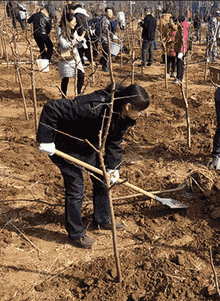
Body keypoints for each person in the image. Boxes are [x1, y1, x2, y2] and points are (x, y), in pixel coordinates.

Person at [36, 83, 151, 249]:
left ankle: (102, 219)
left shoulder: (123, 116)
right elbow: (51, 107)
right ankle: (76, 234)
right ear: (128, 106)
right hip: (64, 146)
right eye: (139, 111)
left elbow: (114, 141)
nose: (140, 115)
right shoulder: (93, 107)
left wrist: (113, 167)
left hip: (87, 146)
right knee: (76, 188)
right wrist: (46, 138)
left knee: (103, 178)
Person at [56, 13, 85, 97]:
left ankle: (78, 93)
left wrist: (81, 41)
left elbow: (76, 43)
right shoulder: (59, 30)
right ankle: (64, 96)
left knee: (81, 75)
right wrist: (76, 40)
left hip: (75, 57)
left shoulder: (73, 30)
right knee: (65, 78)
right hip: (66, 58)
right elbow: (64, 45)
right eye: (74, 22)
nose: (75, 24)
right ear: (67, 22)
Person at [97, 7, 117, 72]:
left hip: (106, 38)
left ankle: (102, 61)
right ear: (105, 13)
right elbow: (105, 30)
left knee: (105, 52)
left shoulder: (108, 19)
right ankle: (104, 66)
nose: (110, 14)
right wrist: (111, 35)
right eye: (109, 12)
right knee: (107, 52)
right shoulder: (105, 20)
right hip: (105, 38)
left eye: (111, 12)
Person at [173, 16, 189, 84]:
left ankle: (178, 78)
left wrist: (181, 51)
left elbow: (183, 41)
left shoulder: (183, 29)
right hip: (179, 49)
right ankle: (180, 77)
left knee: (180, 63)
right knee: (180, 63)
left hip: (181, 50)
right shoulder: (181, 28)